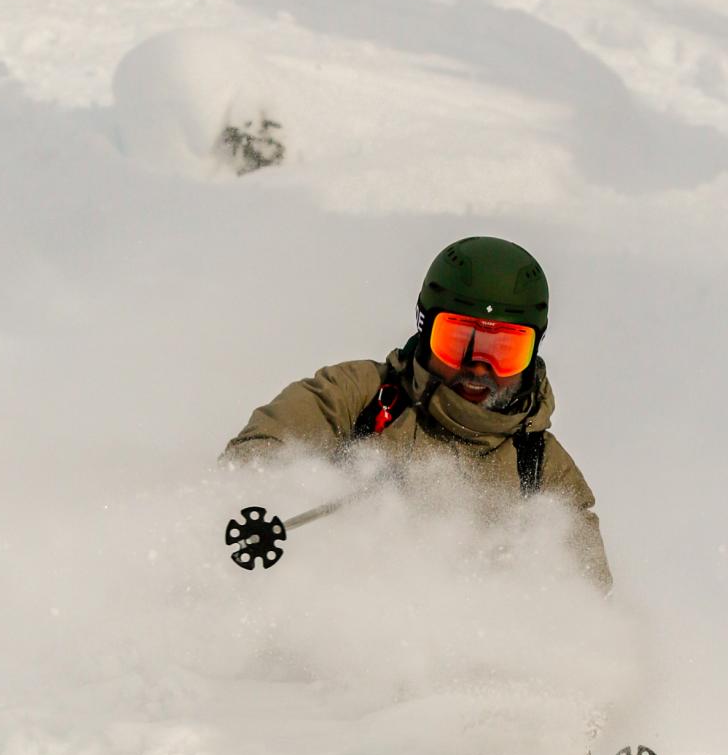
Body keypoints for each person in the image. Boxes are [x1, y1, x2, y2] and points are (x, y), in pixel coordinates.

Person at [222, 236, 611, 591]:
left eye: (504, 351)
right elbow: (251, 462)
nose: (479, 366)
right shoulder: (359, 396)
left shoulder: (541, 469)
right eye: (458, 341)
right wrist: (332, 494)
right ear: (425, 328)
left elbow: (584, 603)